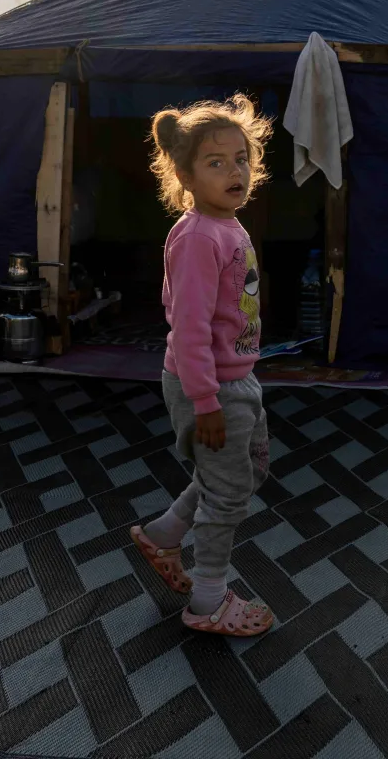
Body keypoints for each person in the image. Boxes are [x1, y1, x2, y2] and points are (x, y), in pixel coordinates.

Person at [130, 94, 275, 637]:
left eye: (241, 158)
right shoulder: (196, 238)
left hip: (236, 379)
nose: (234, 170)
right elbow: (188, 331)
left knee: (247, 471)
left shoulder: (226, 225)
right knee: (229, 491)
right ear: (185, 176)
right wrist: (207, 403)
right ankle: (208, 599)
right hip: (209, 389)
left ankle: (164, 534)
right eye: (216, 163)